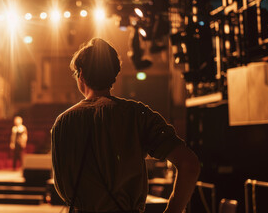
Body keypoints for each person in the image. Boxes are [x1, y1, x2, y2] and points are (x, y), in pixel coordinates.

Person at [51, 38, 200, 213]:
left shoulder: (62, 123)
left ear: (81, 75)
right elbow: (189, 164)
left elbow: (60, 184)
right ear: (113, 75)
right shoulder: (137, 115)